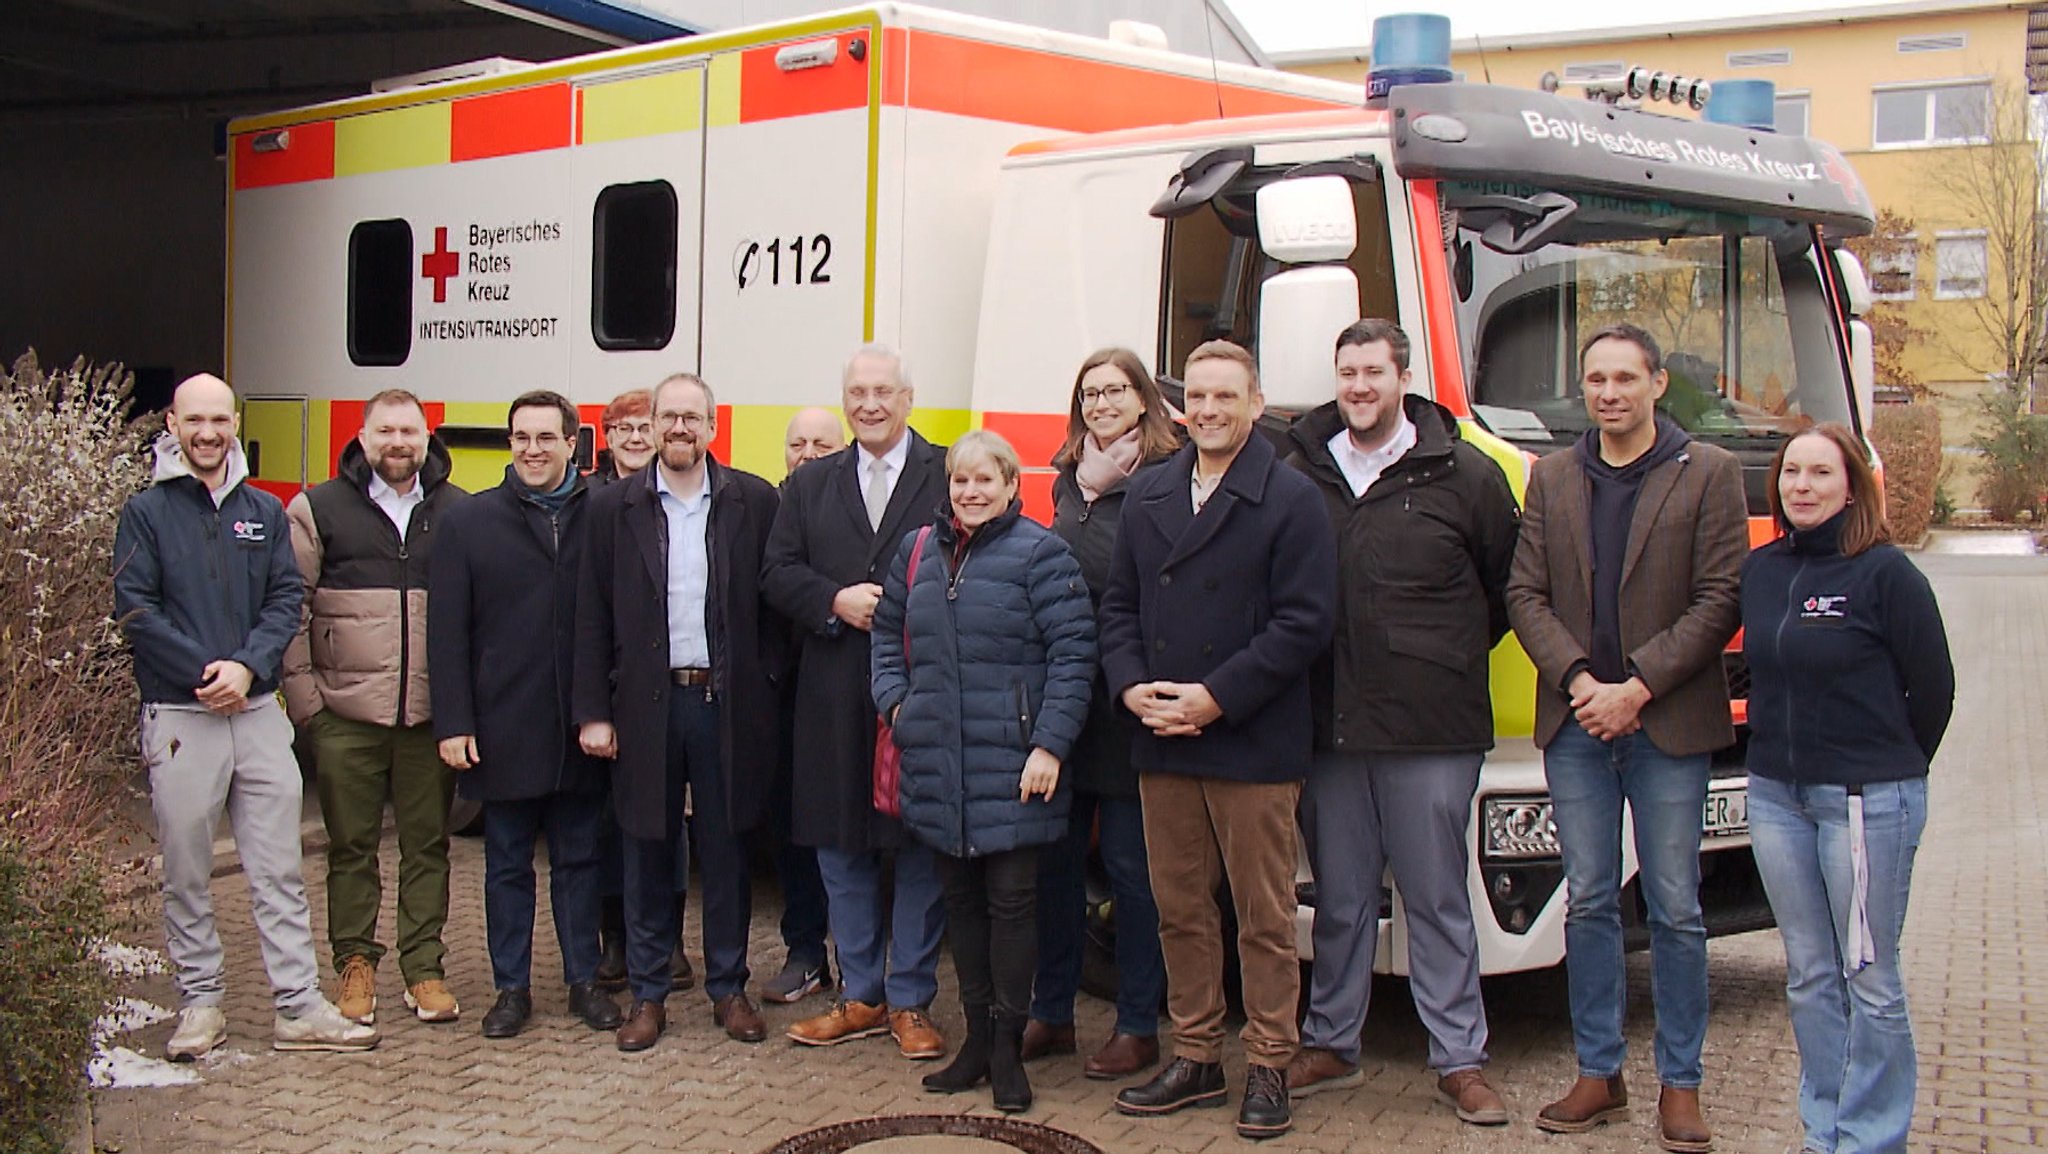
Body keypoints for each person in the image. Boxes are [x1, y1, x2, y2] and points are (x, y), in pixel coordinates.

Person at [1506, 323, 1747, 1153]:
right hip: (1577, 727)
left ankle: (1681, 1086)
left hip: (1667, 724)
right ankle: (1598, 1072)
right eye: (1595, 379)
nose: (1608, 393)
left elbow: (1720, 599)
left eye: (1624, 378)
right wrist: (1580, 683)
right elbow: (1524, 593)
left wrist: (1636, 687)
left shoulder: (1708, 473)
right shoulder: (1554, 477)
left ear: (1657, 387)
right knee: (1590, 898)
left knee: (1676, 908)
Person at [1282, 320, 1520, 1124]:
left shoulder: (1466, 475)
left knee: (1435, 898)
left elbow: (1502, 591)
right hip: (1330, 724)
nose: (1358, 387)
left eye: (1373, 372)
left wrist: (1432, 655)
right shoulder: (1300, 469)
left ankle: (1460, 1058)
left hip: (1431, 726)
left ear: (1403, 376)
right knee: (1341, 896)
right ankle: (1332, 1040)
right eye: (1346, 372)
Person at [1099, 340, 1336, 1142]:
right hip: (1163, 735)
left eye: (1224, 398)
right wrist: (1131, 684)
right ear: (1179, 407)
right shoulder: (1150, 492)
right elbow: (1119, 606)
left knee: (1263, 917)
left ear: (1256, 405)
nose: (1207, 411)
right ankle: (1197, 1055)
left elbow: (1305, 624)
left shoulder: (1292, 498)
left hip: (1251, 741)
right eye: (1195, 398)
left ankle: (1269, 1061)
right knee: (1179, 910)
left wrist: (1215, 698)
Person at [114, 372, 377, 1058]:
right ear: (171, 424)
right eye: (193, 420)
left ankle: (297, 1005)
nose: (207, 433)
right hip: (181, 711)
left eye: (220, 420)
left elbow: (287, 597)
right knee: (187, 869)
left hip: (257, 711)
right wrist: (209, 673)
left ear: (236, 422)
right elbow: (137, 609)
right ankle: (201, 1005)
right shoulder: (146, 513)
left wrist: (247, 668)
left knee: (279, 868)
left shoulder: (263, 509)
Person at [1740, 423, 1953, 1154]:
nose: (1802, 486)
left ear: (1852, 486)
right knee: (1807, 976)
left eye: (1820, 474)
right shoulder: (1762, 570)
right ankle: (1824, 1128)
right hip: (1776, 798)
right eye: (1792, 473)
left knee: (1869, 977)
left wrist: (1884, 764)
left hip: (1864, 801)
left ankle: (1871, 1137)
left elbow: (1934, 691)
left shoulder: (1886, 574)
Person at [872, 430, 1097, 1113]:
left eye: (985, 481)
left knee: (1013, 908)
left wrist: (1050, 745)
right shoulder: (915, 553)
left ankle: (1006, 1048)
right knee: (962, 911)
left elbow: (1074, 657)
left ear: (1010, 486)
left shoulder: (1042, 554)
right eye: (960, 481)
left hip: (1015, 768)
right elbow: (886, 634)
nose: (970, 492)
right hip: (938, 763)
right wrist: (896, 707)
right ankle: (973, 1040)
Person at [577, 373, 784, 1051]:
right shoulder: (613, 508)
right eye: (668, 417)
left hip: (723, 703)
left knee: (726, 849)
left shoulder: (752, 500)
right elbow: (589, 616)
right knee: (647, 846)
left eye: (692, 418)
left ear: (713, 426)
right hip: (644, 704)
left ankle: (729, 988)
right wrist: (595, 712)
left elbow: (774, 605)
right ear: (654, 423)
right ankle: (647, 995)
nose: (678, 429)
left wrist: (765, 683)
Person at [763, 344, 950, 1061]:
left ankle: (910, 1000)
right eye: (857, 393)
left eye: (883, 391)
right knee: (840, 848)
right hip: (833, 690)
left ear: (908, 398)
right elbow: (776, 573)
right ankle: (861, 993)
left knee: (919, 847)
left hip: (921, 688)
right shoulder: (810, 486)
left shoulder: (944, 471)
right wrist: (832, 599)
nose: (869, 404)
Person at [427, 390, 620, 1040]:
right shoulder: (468, 523)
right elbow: (447, 635)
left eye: (546, 437)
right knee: (506, 863)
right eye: (520, 438)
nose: (532, 450)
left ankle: (583, 982)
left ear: (574, 443)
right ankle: (511, 989)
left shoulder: (607, 515)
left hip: (581, 728)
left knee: (578, 861)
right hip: (503, 725)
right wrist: (454, 723)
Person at [282, 389, 464, 1027]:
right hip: (345, 718)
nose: (397, 442)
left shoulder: (455, 510)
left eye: (408, 431)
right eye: (384, 430)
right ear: (362, 438)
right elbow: (290, 607)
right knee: (351, 848)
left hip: (427, 718)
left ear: (425, 437)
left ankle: (424, 967)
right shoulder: (318, 509)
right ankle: (355, 965)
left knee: (428, 846)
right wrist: (309, 708)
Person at [1022, 349, 1179, 1080]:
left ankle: (1139, 1024)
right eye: (1090, 392)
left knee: (1129, 869)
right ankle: (1051, 1013)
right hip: (1064, 701)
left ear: (1144, 400)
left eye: (1116, 390)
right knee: (1053, 865)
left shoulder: (1162, 481)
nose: (1102, 403)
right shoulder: (1068, 481)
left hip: (1126, 701)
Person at [587, 387, 693, 996]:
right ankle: (617, 941)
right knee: (610, 823)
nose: (632, 436)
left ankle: (667, 940)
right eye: (619, 426)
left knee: (665, 825)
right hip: (610, 695)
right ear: (606, 436)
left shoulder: (673, 500)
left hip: (663, 696)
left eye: (640, 426)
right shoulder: (596, 503)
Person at [759, 406, 848, 1006]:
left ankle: (864, 963)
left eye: (821, 441)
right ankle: (805, 952)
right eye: (798, 442)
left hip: (840, 685)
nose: (808, 451)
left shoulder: (849, 504)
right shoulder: (761, 506)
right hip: (776, 693)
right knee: (792, 830)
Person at [594, 389, 656, 483]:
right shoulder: (586, 495)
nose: (635, 438)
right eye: (624, 428)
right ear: (609, 438)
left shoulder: (679, 491)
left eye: (646, 429)